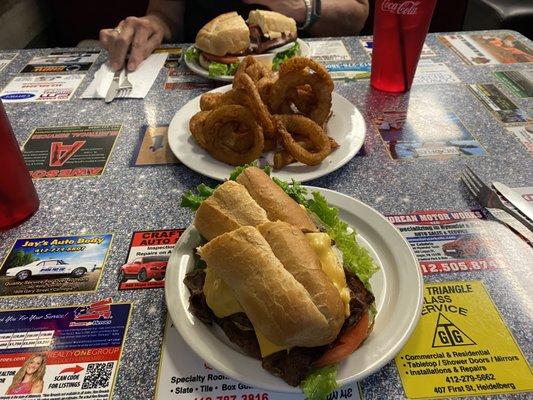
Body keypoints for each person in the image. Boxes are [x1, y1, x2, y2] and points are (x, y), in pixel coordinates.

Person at [100, 0, 369, 71]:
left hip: (295, 74)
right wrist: (149, 25)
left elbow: (357, 15)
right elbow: (164, 15)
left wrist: (298, 7)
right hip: (200, 84)